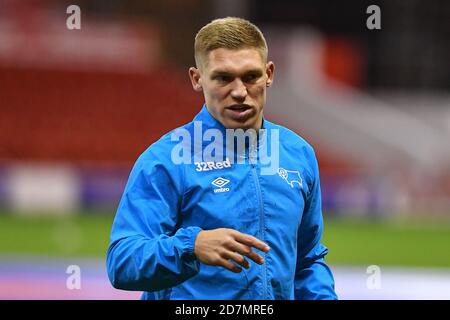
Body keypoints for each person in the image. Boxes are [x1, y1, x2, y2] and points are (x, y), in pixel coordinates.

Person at [106, 17, 337, 300]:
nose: (239, 92)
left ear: (269, 74)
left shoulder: (297, 153)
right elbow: (122, 262)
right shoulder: (166, 159)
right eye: (223, 78)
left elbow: (307, 260)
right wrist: (192, 245)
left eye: (251, 76)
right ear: (197, 78)